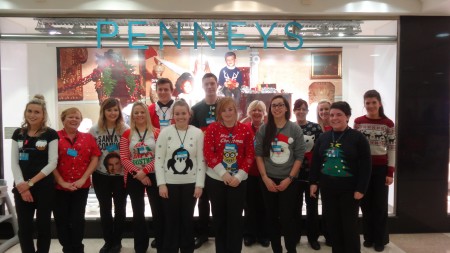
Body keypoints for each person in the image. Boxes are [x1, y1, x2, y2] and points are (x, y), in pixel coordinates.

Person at [310, 101, 371, 253]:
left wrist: (361, 189)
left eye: (339, 115)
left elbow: (366, 166)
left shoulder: (358, 138)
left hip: (350, 191)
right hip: (328, 189)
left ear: (348, 116)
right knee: (333, 226)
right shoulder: (323, 137)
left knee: (349, 227)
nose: (334, 118)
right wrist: (313, 182)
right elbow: (316, 161)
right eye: (331, 115)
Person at [255, 95, 306, 253]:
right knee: (271, 217)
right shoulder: (264, 129)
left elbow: (299, 156)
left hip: (289, 181)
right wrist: (265, 178)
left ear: (286, 108)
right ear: (270, 109)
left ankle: (291, 249)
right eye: (274, 105)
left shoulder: (294, 129)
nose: (277, 108)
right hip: (268, 180)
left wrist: (289, 179)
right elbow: (259, 155)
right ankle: (276, 249)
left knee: (287, 218)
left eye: (280, 105)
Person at [204, 97, 254, 253]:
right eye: (224, 110)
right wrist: (223, 174)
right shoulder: (212, 128)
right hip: (216, 180)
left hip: (238, 181)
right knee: (219, 219)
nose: (227, 113)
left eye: (230, 109)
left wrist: (238, 177)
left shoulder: (245, 129)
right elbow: (208, 152)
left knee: (235, 220)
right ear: (219, 112)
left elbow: (250, 155)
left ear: (236, 110)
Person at [155, 99, 206, 253]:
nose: (180, 116)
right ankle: (170, 248)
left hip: (190, 184)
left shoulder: (197, 133)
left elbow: (200, 160)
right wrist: (161, 183)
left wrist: (199, 184)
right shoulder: (165, 133)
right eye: (177, 113)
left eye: (183, 113)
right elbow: (159, 159)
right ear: (173, 115)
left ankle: (186, 249)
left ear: (189, 114)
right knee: (171, 220)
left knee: (187, 220)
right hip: (169, 185)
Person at [11, 95, 59, 253]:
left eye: (37, 112)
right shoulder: (18, 133)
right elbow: (14, 162)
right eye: (29, 111)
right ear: (25, 113)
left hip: (44, 187)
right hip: (21, 187)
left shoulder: (51, 134)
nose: (32, 115)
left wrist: (30, 183)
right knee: (24, 228)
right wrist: (22, 186)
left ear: (43, 114)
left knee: (43, 226)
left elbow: (52, 163)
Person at [53, 107, 101, 253]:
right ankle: (67, 248)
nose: (74, 120)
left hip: (81, 186)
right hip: (59, 187)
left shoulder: (88, 138)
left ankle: (78, 248)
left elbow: (95, 157)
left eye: (77, 117)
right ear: (63, 119)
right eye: (70, 117)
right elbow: (50, 162)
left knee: (78, 219)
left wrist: (84, 178)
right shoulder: (54, 137)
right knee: (61, 219)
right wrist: (61, 181)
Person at [354, 90, 396, 252]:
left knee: (380, 205)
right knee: (365, 205)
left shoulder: (388, 123)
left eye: (373, 102)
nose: (370, 106)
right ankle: (368, 237)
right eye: (367, 103)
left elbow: (392, 149)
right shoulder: (358, 122)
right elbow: (354, 146)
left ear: (379, 103)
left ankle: (380, 239)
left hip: (381, 169)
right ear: (364, 104)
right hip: (363, 169)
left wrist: (390, 172)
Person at [119, 101, 162, 253]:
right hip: (134, 176)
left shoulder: (157, 133)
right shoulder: (126, 134)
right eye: (136, 113)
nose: (139, 115)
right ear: (132, 116)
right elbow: (124, 158)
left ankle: (161, 243)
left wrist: (145, 170)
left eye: (142, 112)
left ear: (147, 114)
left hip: (155, 174)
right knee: (138, 212)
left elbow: (160, 157)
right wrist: (139, 174)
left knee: (158, 210)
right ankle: (140, 246)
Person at [89, 98, 129, 253]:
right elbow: (91, 154)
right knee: (105, 209)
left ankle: (117, 241)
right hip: (101, 175)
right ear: (103, 112)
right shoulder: (94, 130)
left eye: (115, 110)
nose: (112, 113)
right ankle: (108, 241)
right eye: (109, 110)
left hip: (120, 176)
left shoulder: (125, 129)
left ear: (119, 112)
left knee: (120, 209)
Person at [190, 72, 220, 248]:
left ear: (217, 85)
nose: (210, 86)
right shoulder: (196, 109)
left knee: (218, 201)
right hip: (201, 161)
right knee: (202, 199)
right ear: (202, 86)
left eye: (212, 83)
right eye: (206, 84)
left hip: (222, 161)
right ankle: (202, 234)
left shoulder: (224, 106)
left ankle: (219, 232)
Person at [293, 98, 322, 250]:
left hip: (312, 174)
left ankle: (313, 238)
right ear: (294, 111)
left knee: (312, 207)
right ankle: (295, 236)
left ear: (307, 111)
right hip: (294, 175)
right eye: (298, 109)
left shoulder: (316, 128)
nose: (301, 111)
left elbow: (320, 151)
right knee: (295, 207)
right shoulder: (289, 127)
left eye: (304, 109)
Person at [241, 100, 270, 248]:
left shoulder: (269, 129)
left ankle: (264, 235)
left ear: (264, 113)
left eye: (260, 110)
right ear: (249, 113)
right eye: (254, 110)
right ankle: (249, 234)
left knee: (264, 205)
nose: (257, 113)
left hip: (266, 173)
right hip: (248, 173)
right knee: (249, 205)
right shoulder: (244, 128)